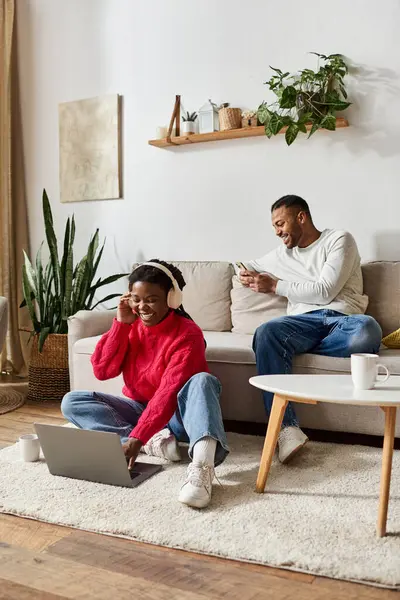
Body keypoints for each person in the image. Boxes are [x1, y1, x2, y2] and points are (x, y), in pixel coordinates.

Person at [62, 259, 229, 509]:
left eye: (151, 299)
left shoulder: (188, 334)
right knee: (72, 402)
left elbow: (169, 392)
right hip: (141, 408)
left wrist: (137, 436)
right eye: (136, 299)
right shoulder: (130, 325)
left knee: (204, 381)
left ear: (171, 299)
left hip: (176, 415)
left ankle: (202, 469)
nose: (142, 307)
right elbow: (102, 369)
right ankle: (155, 442)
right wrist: (120, 324)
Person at [239, 195, 382, 464]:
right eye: (274, 226)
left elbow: (326, 291)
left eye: (280, 223)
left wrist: (275, 286)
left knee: (368, 330)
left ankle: (295, 348)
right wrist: (244, 275)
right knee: (267, 332)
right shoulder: (282, 254)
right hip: (302, 322)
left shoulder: (339, 240)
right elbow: (248, 266)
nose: (277, 232)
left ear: (301, 217)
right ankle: (286, 430)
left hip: (344, 320)